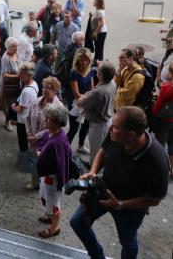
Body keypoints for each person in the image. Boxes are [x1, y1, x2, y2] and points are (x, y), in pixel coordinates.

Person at [69, 106, 169, 259]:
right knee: (78, 223)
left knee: (128, 242)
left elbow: (155, 200)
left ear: (131, 135)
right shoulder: (115, 134)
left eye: (115, 127)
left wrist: (120, 204)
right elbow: (103, 151)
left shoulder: (158, 161)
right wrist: (93, 172)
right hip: (104, 191)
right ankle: (97, 255)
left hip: (131, 208)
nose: (110, 128)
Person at [32, 103, 72, 238]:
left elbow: (46, 157)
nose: (45, 120)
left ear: (56, 122)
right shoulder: (56, 134)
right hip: (49, 176)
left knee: (54, 202)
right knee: (46, 196)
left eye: (48, 119)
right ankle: (50, 217)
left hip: (52, 178)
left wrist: (39, 154)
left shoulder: (56, 141)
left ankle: (54, 228)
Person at [26, 77, 64, 190]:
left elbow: (54, 128)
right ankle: (34, 182)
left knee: (45, 162)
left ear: (56, 91)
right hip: (32, 137)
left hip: (47, 141)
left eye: (49, 88)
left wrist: (36, 137)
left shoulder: (58, 107)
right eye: (44, 87)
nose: (45, 90)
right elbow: (27, 118)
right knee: (34, 161)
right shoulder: (37, 101)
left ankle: (44, 184)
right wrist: (29, 134)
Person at [77, 61, 116, 164]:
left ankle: (93, 171)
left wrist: (85, 95)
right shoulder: (112, 82)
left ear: (101, 75)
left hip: (98, 125)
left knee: (96, 151)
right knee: (101, 148)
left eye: (98, 71)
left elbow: (80, 103)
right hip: (106, 120)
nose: (96, 72)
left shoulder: (99, 92)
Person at [66, 47, 93, 155]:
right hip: (75, 105)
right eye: (81, 60)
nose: (84, 63)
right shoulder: (74, 72)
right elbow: (76, 94)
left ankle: (80, 146)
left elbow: (92, 88)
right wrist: (90, 97)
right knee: (73, 129)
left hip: (86, 103)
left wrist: (89, 97)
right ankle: (65, 148)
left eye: (86, 60)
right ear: (77, 60)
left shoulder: (89, 70)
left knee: (86, 125)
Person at [152, 62, 173, 179]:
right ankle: (172, 169)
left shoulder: (166, 88)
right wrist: (159, 76)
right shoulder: (166, 86)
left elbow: (156, 108)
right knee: (172, 143)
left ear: (171, 74)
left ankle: (159, 169)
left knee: (159, 144)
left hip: (164, 121)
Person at [12, 62, 38, 152]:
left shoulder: (26, 91)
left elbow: (19, 109)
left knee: (22, 142)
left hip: (23, 120)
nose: (19, 75)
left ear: (28, 75)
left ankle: (23, 160)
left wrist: (13, 106)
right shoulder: (34, 83)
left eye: (21, 73)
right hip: (30, 117)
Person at [0, 37, 21, 132]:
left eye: (16, 46)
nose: (16, 48)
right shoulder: (5, 58)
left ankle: (12, 119)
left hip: (16, 84)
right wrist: (17, 76)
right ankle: (7, 122)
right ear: (8, 47)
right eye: (13, 46)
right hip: (8, 85)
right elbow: (4, 74)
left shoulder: (14, 54)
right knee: (9, 104)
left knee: (15, 102)